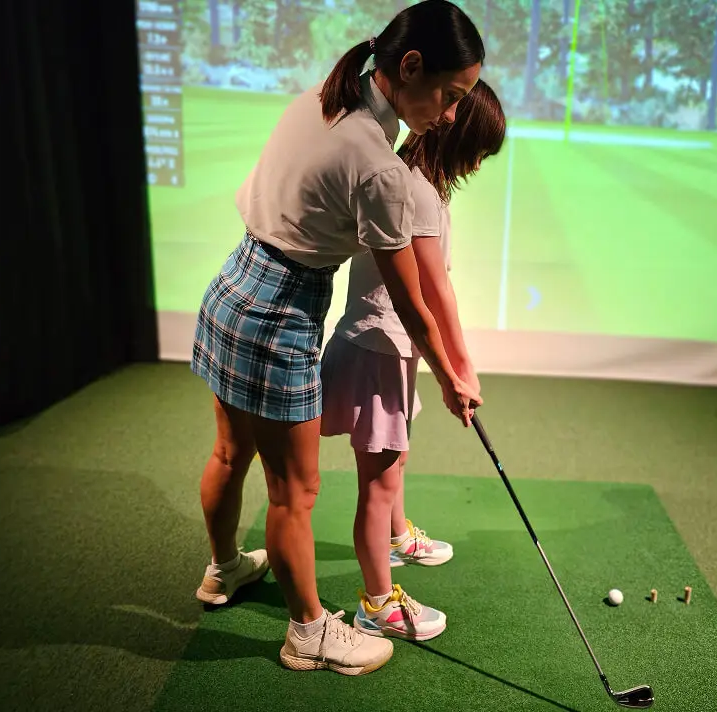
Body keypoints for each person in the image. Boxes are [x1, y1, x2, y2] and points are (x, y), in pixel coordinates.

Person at [188, 0, 485, 677]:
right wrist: (450, 377)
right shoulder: (378, 165)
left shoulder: (321, 98)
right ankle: (309, 632)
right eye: (449, 95)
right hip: (279, 317)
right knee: (295, 493)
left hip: (231, 288)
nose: (449, 115)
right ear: (410, 66)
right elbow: (412, 303)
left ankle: (223, 568)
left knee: (230, 453)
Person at [319, 79, 506, 642]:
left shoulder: (426, 184)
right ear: (456, 136)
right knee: (377, 483)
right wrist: (460, 370)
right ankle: (378, 604)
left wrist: (452, 367)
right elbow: (435, 290)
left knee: (395, 459)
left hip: (392, 346)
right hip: (378, 347)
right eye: (477, 149)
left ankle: (398, 539)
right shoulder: (416, 189)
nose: (478, 163)